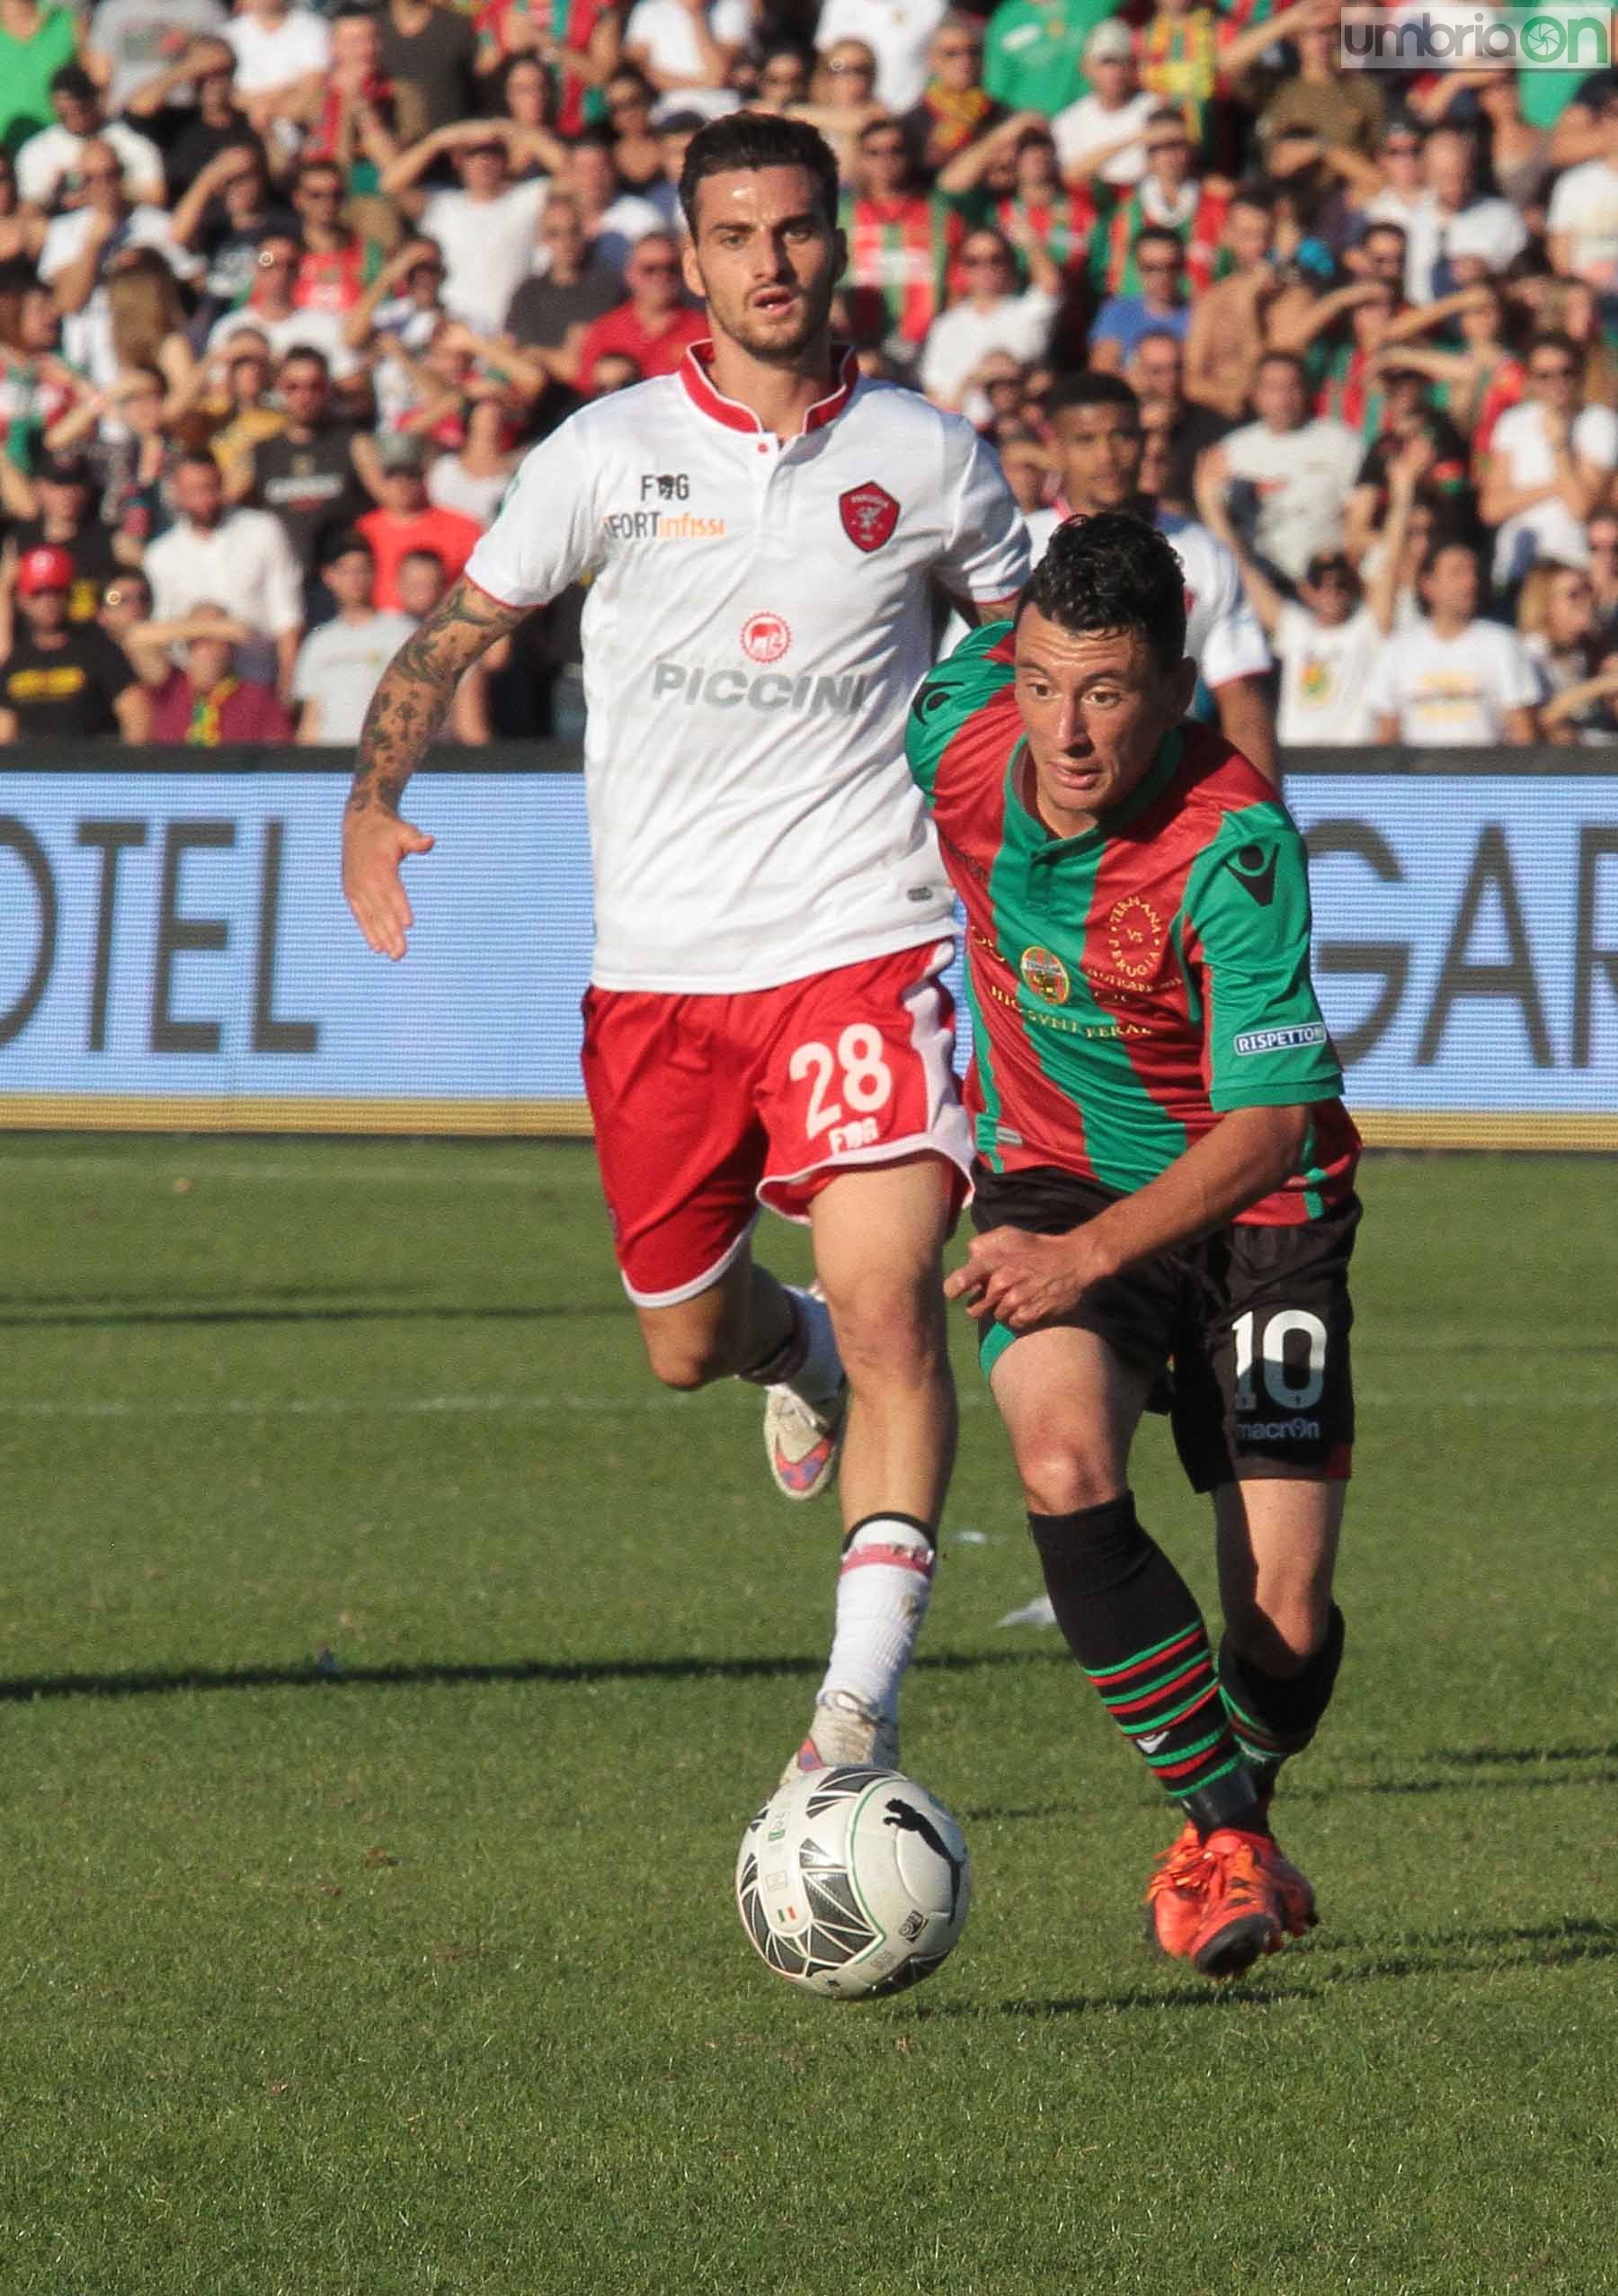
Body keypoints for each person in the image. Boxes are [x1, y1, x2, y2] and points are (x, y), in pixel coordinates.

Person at [341, 110, 1028, 1783]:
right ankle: (775, 1351)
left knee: (893, 1310)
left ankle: (852, 1718)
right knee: (683, 1338)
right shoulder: (608, 450)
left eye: (794, 229)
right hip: (661, 974)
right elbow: (458, 628)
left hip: (869, 938)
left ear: (839, 237)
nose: (769, 262)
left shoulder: (929, 457)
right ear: (693, 256)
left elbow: (1035, 649)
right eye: (735, 235)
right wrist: (372, 801)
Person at [904, 512, 1362, 1982]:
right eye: (1041, 683)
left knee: (1281, 1625)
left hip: (1256, 1221)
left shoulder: (1234, 842)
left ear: (1172, 684)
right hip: (1049, 1173)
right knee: (1057, 1454)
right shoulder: (960, 736)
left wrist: (1095, 1252)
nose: (1066, 729)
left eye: (1104, 691)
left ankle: (1245, 1802)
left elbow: (1272, 1126)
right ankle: (1224, 1827)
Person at [1025, 371, 1277, 779]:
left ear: (1144, 441)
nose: (1108, 456)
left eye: (1122, 436)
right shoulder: (1018, 548)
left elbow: (1242, 699)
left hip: (1169, 790)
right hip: (1049, 788)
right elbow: (981, 686)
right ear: (1055, 450)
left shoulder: (1202, 551)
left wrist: (1266, 818)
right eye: (1086, 441)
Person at [142, 449, 304, 696]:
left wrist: (287, 685)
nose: (205, 501)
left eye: (210, 488)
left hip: (258, 680)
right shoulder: (160, 554)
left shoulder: (263, 530)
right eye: (193, 492)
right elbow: (161, 627)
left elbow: (287, 616)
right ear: (175, 493)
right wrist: (219, 629)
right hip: (194, 691)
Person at [1200, 351, 1365, 590]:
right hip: (1258, 584)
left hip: (1325, 584)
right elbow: (1218, 518)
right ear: (1255, 394)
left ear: (1305, 390)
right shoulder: (1232, 450)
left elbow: (1357, 521)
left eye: (1292, 387)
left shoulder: (1341, 442)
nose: (1283, 398)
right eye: (1273, 388)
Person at [1365, 538, 1540, 745]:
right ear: (1428, 585)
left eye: (1473, 572)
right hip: (1419, 775)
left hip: (1483, 774)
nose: (1470, 582)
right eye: (1457, 573)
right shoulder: (1398, 649)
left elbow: (1522, 732)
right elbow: (1386, 734)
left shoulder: (1502, 644)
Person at [0, 542, 152, 741]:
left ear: (70, 593)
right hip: (32, 769)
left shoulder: (100, 650)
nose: (48, 601)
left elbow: (136, 714)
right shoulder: (16, 663)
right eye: (38, 593)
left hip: (90, 768)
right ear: (21, 599)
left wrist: (125, 768)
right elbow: (4, 731)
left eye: (56, 591)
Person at [292, 530, 419, 743]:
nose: (355, 580)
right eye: (347, 572)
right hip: (332, 764)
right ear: (329, 576)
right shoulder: (319, 641)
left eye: (363, 570)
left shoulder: (402, 632)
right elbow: (311, 717)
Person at [354, 429, 482, 606]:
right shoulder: (363, 531)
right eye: (391, 475)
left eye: (411, 474)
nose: (402, 483)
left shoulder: (463, 528)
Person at [572, 227, 707, 391]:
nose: (661, 277)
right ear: (630, 274)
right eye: (650, 269)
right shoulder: (605, 331)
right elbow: (586, 391)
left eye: (671, 268)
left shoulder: (703, 332)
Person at [142, 604, 297, 740]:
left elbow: (279, 755)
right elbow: (136, 640)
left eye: (218, 639)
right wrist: (208, 627)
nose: (208, 648)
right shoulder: (168, 685)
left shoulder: (256, 698)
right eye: (198, 639)